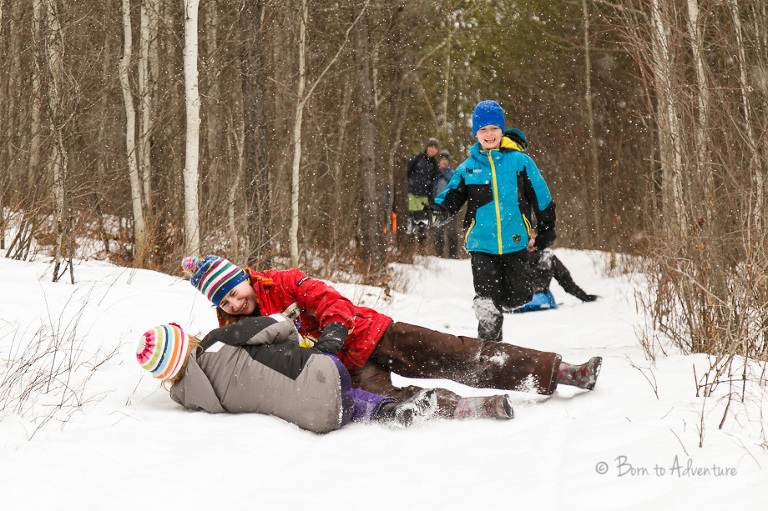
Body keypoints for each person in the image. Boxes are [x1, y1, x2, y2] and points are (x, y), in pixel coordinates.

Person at [180, 255, 603, 420]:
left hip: (375, 334)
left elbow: (332, 303)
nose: (236, 304)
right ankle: (472, 408)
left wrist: (330, 334)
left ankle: (562, 371)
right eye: (226, 302)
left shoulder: (283, 281)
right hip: (346, 368)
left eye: (235, 293)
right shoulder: (236, 329)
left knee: (462, 353)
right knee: (391, 404)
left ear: (244, 279)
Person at [406, 100, 557, 342]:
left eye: (494, 129)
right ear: (476, 134)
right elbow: (449, 202)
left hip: (514, 241)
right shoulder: (468, 169)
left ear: (502, 131)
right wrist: (428, 215)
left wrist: (546, 227)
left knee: (520, 297)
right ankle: (488, 355)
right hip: (481, 245)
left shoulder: (520, 162)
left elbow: (541, 195)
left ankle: (507, 298)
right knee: (487, 304)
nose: (489, 134)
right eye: (483, 130)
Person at [136, 319, 439, 433]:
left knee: (343, 404)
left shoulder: (190, 399)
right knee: (317, 362)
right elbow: (276, 328)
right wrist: (293, 337)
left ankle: (388, 412)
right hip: (326, 372)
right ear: (186, 341)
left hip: (317, 419)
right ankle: (333, 339)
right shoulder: (215, 339)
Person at [512, 248, 598, 313]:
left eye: (533, 238)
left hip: (540, 302)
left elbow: (566, 281)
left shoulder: (547, 257)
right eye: (528, 238)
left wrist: (584, 297)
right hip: (516, 301)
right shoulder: (512, 255)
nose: (531, 241)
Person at [406, 138, 440, 246]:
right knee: (412, 215)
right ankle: (409, 244)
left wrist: (432, 195)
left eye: (435, 148)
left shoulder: (435, 164)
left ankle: (421, 244)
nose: (432, 150)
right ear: (427, 148)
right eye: (431, 147)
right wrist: (411, 182)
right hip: (413, 191)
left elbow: (435, 180)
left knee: (423, 218)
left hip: (425, 194)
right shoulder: (417, 157)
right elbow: (408, 171)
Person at [432, 150, 459, 259]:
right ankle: (439, 256)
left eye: (445, 159)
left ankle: (453, 256)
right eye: (441, 159)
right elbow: (431, 189)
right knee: (438, 232)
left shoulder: (452, 174)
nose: (443, 162)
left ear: (448, 161)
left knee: (452, 232)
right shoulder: (435, 174)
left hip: (450, 206)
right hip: (437, 206)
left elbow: (457, 189)